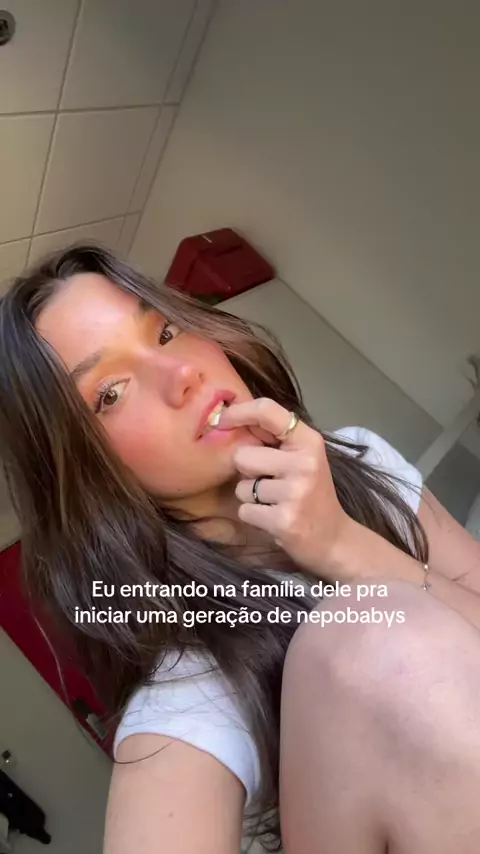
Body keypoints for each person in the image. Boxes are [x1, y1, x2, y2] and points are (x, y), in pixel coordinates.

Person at [1, 244, 480, 854]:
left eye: (166, 331)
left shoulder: (361, 458)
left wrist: (344, 546)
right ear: (86, 477)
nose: (180, 373)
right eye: (112, 392)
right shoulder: (191, 684)